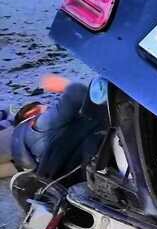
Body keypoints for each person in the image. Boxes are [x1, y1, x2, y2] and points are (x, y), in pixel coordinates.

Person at [2, 75, 108, 204]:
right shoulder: (40, 123)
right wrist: (61, 85)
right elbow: (78, 93)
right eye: (46, 107)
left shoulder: (29, 145)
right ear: (32, 113)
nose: (50, 107)